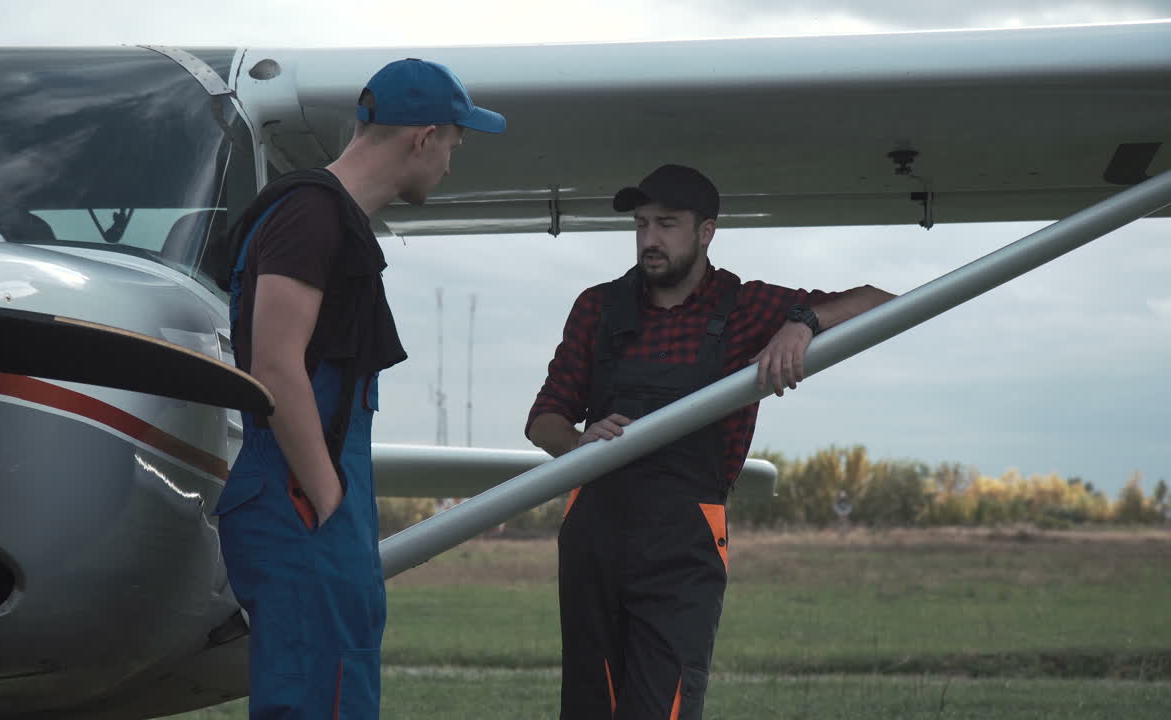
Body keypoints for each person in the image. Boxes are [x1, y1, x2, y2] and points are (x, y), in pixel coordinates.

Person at [525, 164, 894, 719]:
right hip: (593, 537)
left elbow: (880, 301)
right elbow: (544, 420)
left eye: (667, 224)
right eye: (642, 224)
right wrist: (578, 445)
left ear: (706, 231)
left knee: (663, 706)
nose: (650, 239)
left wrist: (804, 324)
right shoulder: (597, 307)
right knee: (589, 708)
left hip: (684, 542)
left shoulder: (746, 307)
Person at [212, 58, 505, 719]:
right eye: (455, 144)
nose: (451, 164)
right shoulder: (311, 215)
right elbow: (275, 365)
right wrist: (328, 499)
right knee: (319, 702)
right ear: (423, 137)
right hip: (300, 507)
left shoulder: (325, 217)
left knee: (338, 695)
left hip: (309, 506)